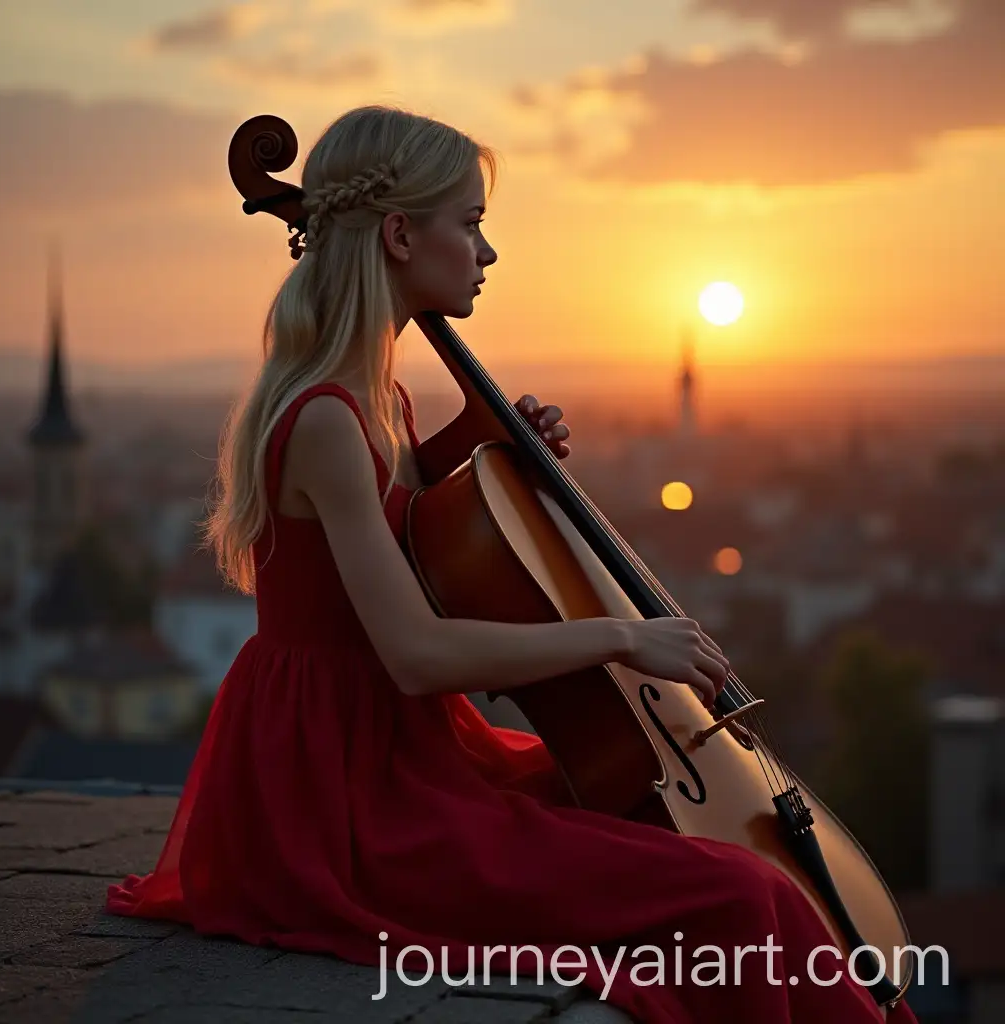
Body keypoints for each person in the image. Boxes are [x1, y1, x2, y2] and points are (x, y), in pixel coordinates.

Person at [106, 105, 917, 1024]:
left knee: (633, 810)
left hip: (405, 752)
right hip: (348, 800)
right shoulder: (330, 418)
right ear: (402, 234)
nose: (487, 254)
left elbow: (401, 525)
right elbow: (415, 653)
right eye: (472, 224)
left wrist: (485, 442)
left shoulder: (382, 400)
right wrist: (620, 636)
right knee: (744, 895)